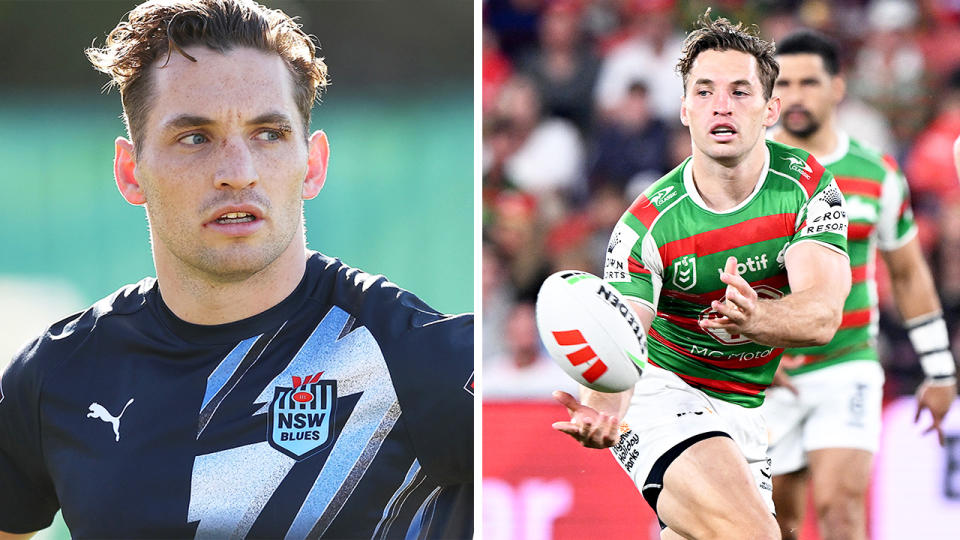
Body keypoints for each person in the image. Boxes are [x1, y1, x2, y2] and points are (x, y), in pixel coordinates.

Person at [0, 1, 473, 538]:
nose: (237, 172)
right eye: (195, 137)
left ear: (312, 164)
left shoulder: (413, 355)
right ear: (131, 172)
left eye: (268, 133)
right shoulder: (57, 373)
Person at [552, 12, 851, 539]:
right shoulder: (645, 226)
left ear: (770, 109)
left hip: (745, 414)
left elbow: (823, 315)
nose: (722, 104)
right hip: (661, 395)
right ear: (686, 110)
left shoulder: (806, 187)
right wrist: (604, 406)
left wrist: (758, 318)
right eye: (705, 91)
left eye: (740, 91)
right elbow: (624, 335)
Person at [763, 29, 957, 540]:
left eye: (810, 82)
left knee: (840, 512)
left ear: (838, 88)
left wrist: (939, 370)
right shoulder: (750, 169)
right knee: (775, 525)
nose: (796, 96)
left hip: (847, 363)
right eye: (784, 83)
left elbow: (909, 272)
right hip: (766, 373)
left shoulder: (877, 173)